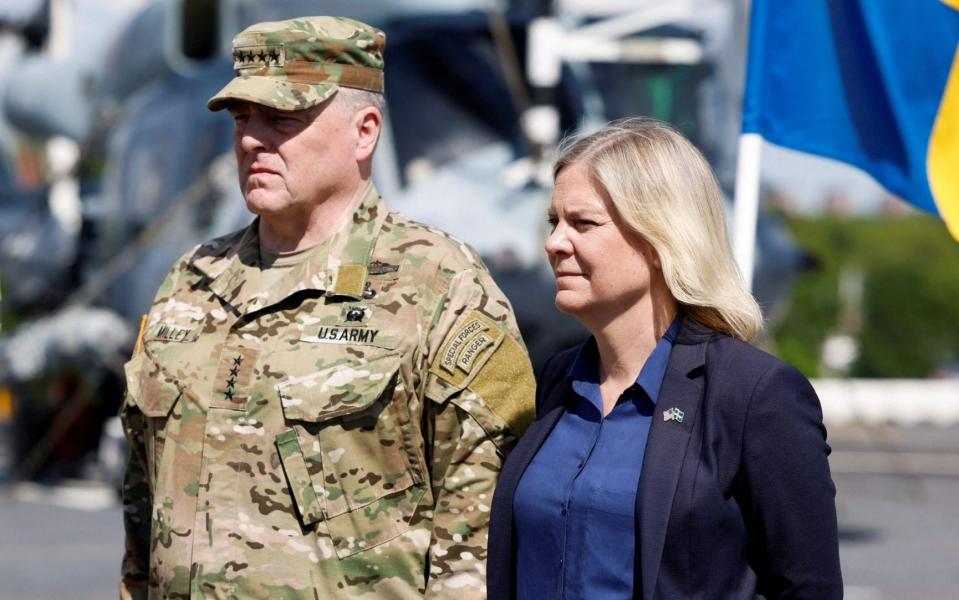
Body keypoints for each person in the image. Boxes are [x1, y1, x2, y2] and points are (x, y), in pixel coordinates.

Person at [119, 16, 535, 599]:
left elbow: (478, 535)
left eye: (282, 118)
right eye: (242, 118)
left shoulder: (439, 286)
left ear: (364, 132)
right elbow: (143, 509)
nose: (250, 139)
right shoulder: (190, 284)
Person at [488, 118, 843, 599]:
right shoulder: (557, 379)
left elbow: (808, 588)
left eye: (583, 223)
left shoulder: (754, 395)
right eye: (554, 222)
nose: (554, 243)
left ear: (659, 239)